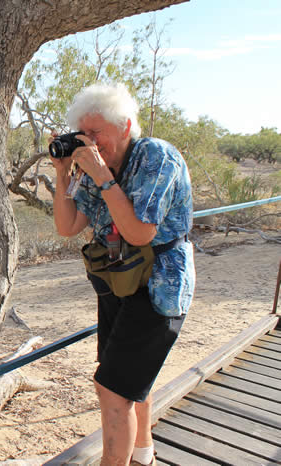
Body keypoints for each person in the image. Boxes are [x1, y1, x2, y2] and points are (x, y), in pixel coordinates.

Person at [51, 83, 195, 466]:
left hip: (159, 288)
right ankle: (143, 455)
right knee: (128, 383)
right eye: (84, 134)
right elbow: (68, 225)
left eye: (96, 133)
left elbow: (139, 232)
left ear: (126, 125)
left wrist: (102, 176)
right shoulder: (95, 164)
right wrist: (65, 174)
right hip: (117, 282)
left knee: (112, 390)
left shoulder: (156, 157)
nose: (90, 142)